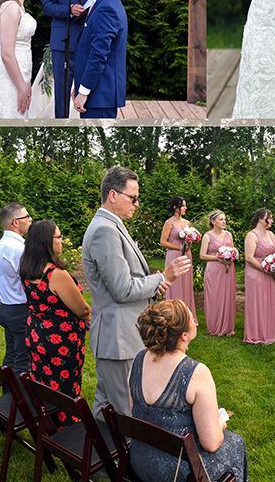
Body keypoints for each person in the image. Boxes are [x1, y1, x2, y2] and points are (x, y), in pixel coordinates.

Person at [83, 166, 191, 415]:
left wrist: (153, 283)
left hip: (118, 336)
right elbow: (122, 289)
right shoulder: (104, 230)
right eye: (133, 198)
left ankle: (96, 451)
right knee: (125, 412)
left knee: (105, 405)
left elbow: (127, 279)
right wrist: (164, 276)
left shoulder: (112, 225)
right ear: (113, 195)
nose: (137, 204)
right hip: (117, 339)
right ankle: (122, 454)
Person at [130, 300, 248, 481]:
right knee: (236, 442)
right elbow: (211, 443)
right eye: (193, 318)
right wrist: (220, 423)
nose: (196, 321)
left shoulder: (138, 360)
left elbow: (136, 413)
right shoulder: (196, 372)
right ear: (184, 335)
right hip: (179, 472)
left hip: (139, 461)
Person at [21, 219, 90, 422]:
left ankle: (46, 421)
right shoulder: (56, 274)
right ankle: (67, 426)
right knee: (65, 386)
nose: (62, 240)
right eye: (58, 237)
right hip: (61, 342)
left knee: (43, 381)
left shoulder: (28, 268)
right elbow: (82, 309)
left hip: (37, 334)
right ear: (46, 242)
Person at [72, 0, 128, 119]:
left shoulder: (106, 8)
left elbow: (98, 54)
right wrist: (81, 84)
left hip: (100, 96)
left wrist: (84, 91)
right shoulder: (104, 2)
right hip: (97, 93)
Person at [41, 0, 91, 118]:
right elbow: (47, 5)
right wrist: (69, 9)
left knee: (86, 91)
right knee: (62, 94)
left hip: (87, 41)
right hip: (63, 43)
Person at [0, 202, 33, 372]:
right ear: (15, 222)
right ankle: (18, 398)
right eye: (27, 217)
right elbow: (30, 279)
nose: (30, 220)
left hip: (6, 307)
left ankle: (8, 393)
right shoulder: (18, 249)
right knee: (23, 361)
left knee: (11, 354)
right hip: (20, 310)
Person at [243, 208, 275, 344]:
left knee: (270, 303)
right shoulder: (251, 235)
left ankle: (271, 332)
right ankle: (257, 334)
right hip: (256, 274)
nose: (271, 220)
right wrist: (266, 269)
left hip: (272, 275)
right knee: (258, 303)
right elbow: (249, 257)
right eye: (269, 217)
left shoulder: (271, 234)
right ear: (261, 219)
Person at [199, 210, 237, 337]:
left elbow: (232, 251)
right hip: (214, 270)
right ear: (213, 221)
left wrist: (231, 256)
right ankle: (214, 327)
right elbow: (202, 255)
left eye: (224, 219)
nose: (224, 222)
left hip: (227, 270)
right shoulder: (207, 236)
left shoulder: (228, 235)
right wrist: (218, 258)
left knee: (227, 296)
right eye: (221, 219)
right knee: (214, 297)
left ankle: (227, 327)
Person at [159, 197, 196, 315]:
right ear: (175, 207)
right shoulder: (169, 223)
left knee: (186, 284)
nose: (185, 208)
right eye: (183, 206)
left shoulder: (187, 223)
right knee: (175, 284)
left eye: (185, 205)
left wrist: (190, 241)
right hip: (174, 255)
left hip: (186, 255)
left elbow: (189, 239)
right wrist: (179, 247)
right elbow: (163, 242)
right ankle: (174, 313)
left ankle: (186, 313)